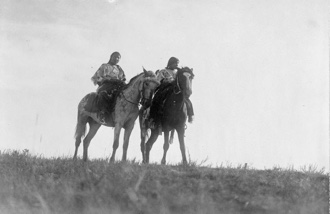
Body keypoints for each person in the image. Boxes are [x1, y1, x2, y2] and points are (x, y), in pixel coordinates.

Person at [149, 57, 194, 130]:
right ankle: (153, 118)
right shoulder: (163, 71)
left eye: (177, 64)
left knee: (186, 100)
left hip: (175, 89)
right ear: (170, 63)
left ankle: (189, 116)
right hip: (165, 88)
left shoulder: (177, 73)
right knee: (157, 99)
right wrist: (166, 80)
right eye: (175, 63)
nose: (176, 65)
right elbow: (158, 81)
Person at [86, 52, 126, 124]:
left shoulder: (119, 69)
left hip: (117, 87)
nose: (117, 59)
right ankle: (102, 114)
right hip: (106, 86)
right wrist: (109, 80)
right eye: (115, 57)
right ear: (111, 57)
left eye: (118, 58)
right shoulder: (105, 66)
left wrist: (121, 82)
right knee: (103, 95)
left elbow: (123, 79)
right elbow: (98, 77)